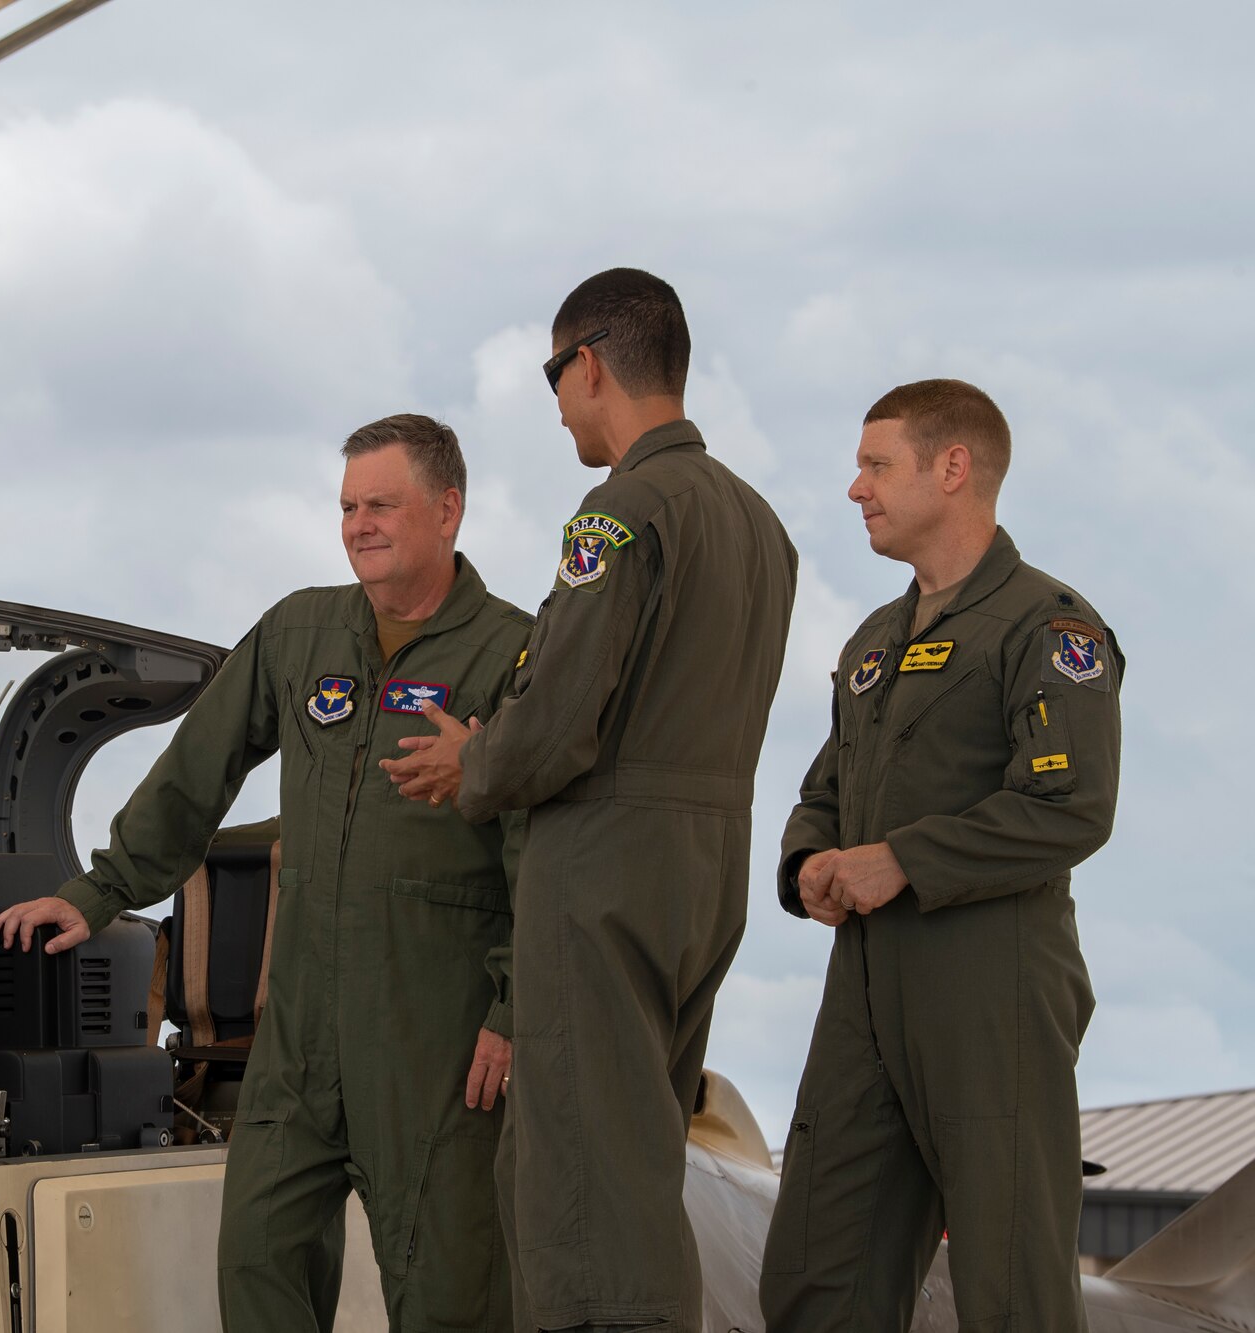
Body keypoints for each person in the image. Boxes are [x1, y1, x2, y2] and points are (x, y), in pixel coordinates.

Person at [0, 414, 533, 1332]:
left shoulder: (514, 653)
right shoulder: (299, 632)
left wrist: (514, 1010)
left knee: (449, 1296)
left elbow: (546, 848)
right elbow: (196, 771)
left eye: (383, 504)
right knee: (256, 1261)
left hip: (434, 1042)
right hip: (302, 1039)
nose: (360, 523)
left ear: (449, 509)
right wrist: (103, 887)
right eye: (349, 506)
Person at [383, 268, 797, 1333]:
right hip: (706, 872)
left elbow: (563, 715)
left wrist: (471, 766)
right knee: (640, 1155)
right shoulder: (757, 524)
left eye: (552, 377)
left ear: (588, 365)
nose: (555, 404)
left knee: (577, 1193)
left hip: (602, 877)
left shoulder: (618, 513)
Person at [758, 379, 1121, 1332]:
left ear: (952, 469)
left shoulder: (1050, 625)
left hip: (991, 990)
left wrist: (905, 859)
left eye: (876, 465)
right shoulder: (874, 641)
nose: (855, 489)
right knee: (814, 1275)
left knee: (1012, 1290)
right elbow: (821, 792)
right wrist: (807, 864)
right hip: (866, 992)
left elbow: (1070, 805)